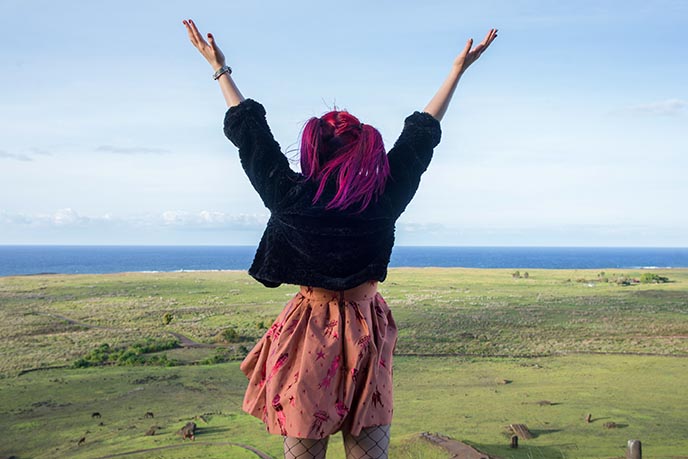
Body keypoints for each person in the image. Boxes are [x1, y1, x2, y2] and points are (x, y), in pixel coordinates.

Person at [183, 18, 497, 459]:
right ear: (363, 149)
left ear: (315, 149)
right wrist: (456, 72)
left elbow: (251, 136)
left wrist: (220, 71)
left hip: (308, 330)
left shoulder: (290, 197)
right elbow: (420, 136)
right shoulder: (384, 196)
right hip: (366, 326)